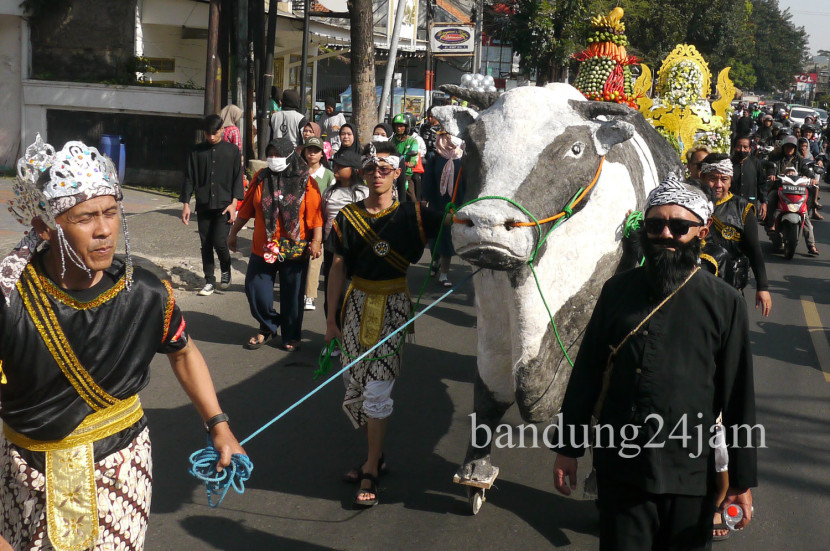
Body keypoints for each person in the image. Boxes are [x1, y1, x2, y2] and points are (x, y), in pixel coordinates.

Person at [0, 135, 245, 550]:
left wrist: (219, 426)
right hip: (27, 473)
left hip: (121, 466)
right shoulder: (10, 302)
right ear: (44, 227)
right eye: (84, 218)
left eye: (111, 213)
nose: (103, 231)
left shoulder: (146, 292)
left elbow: (183, 353)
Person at [553, 175, 757, 551]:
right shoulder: (617, 291)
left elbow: (738, 396)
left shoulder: (725, 302)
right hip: (622, 471)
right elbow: (588, 372)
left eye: (679, 226)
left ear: (702, 230)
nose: (666, 234)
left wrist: (741, 481)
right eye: (655, 225)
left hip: (691, 477)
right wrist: (568, 448)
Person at [325, 141, 443, 508]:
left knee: (377, 390)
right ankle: (375, 453)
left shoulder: (415, 215)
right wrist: (330, 320)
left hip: (392, 307)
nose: (376, 173)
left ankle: (372, 467)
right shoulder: (346, 218)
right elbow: (338, 268)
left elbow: (461, 223)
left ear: (397, 172)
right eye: (370, 168)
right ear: (362, 173)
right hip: (355, 306)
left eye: (384, 168)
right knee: (354, 384)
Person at [228, 138, 323, 351]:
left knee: (292, 295)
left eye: (278, 155)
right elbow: (246, 211)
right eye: (270, 154)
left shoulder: (306, 182)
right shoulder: (261, 178)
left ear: (290, 156)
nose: (273, 159)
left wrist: (316, 242)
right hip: (263, 247)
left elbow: (316, 216)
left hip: (294, 248)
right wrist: (233, 233)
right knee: (255, 290)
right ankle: (269, 325)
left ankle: (291, 335)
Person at [700, 153, 773, 312]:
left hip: (730, 291)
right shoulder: (689, 205)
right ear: (702, 178)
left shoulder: (743, 209)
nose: (718, 185)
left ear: (731, 180)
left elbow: (754, 250)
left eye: (724, 179)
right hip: (696, 292)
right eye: (712, 178)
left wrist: (763, 287)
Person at [180, 114, 244, 296]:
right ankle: (209, 280)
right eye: (208, 134)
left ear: (222, 130)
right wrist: (186, 204)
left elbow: (237, 179)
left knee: (219, 242)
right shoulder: (196, 152)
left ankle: (226, 270)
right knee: (205, 243)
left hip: (225, 204)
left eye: (215, 133)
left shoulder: (232, 151)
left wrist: (234, 204)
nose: (212, 137)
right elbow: (189, 178)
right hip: (204, 203)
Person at [320, 150, 369, 323]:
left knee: (351, 292)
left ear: (355, 169)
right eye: (335, 164)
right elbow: (323, 218)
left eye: (341, 165)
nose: (336, 168)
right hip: (331, 248)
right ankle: (332, 334)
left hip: (355, 249)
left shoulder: (363, 193)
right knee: (332, 293)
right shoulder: (328, 192)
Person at [422, 131, 465, 287]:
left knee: (448, 238)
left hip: (456, 203)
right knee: (435, 237)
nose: (450, 140)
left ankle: (444, 274)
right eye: (447, 137)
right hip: (437, 202)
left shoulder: (463, 157)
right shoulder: (435, 156)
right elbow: (428, 180)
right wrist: (425, 199)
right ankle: (435, 260)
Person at [302, 136, 335, 312]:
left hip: (320, 224)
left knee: (315, 260)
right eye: (309, 150)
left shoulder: (329, 176)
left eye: (316, 150)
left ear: (322, 154)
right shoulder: (298, 172)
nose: (312, 153)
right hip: (300, 224)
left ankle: (310, 295)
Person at [731, 135, 768, 220]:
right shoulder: (729, 163)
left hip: (750, 206)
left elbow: (761, 184)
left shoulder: (755, 163)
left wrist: (764, 202)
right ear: (734, 147)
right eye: (739, 147)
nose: (742, 150)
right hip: (731, 207)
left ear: (750, 149)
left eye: (745, 147)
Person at [391, 114, 420, 201]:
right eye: (396, 126)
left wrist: (411, 162)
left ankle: (415, 213)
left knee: (412, 199)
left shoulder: (412, 141)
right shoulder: (391, 140)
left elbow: (414, 157)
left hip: (406, 174)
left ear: (406, 127)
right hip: (392, 174)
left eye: (401, 126)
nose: (398, 128)